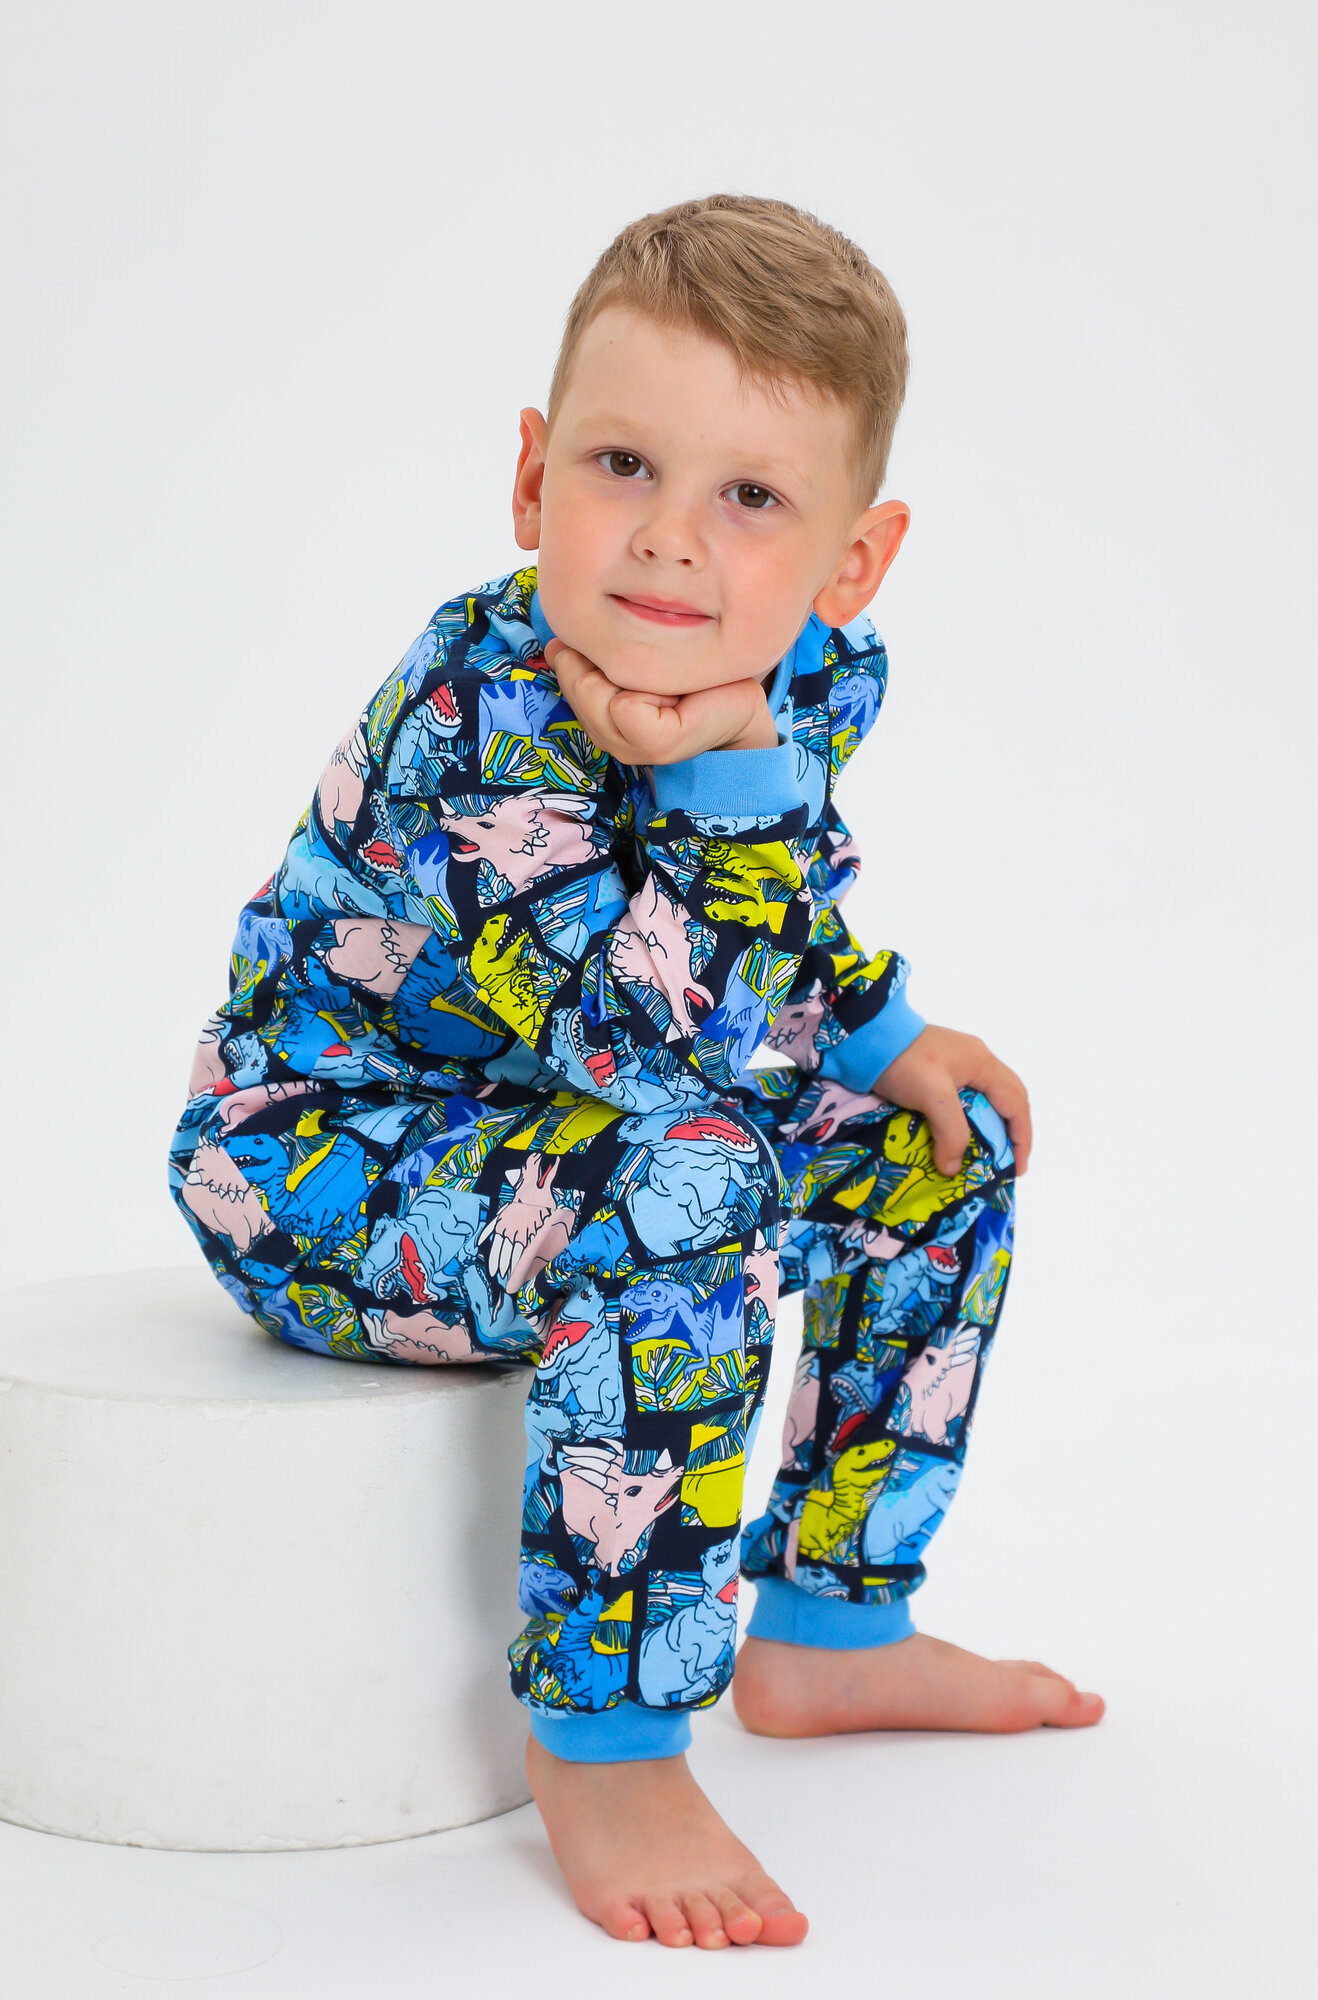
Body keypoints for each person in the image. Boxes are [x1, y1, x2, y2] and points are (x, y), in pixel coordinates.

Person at [169, 193, 1104, 1949]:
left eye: (751, 499)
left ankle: (834, 1625)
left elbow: (769, 921)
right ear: (532, 479)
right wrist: (729, 782)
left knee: (943, 1147)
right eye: (622, 466)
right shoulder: (482, 714)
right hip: (323, 1160)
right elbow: (648, 1042)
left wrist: (883, 1035)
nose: (671, 540)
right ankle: (607, 1735)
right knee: (697, 1174)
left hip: (565, 1123)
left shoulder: (804, 671)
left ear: (850, 564)